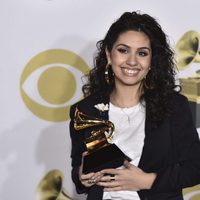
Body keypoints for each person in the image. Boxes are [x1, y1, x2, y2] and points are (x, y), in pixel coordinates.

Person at [69, 11, 200, 200]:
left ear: (151, 61)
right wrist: (82, 176)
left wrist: (147, 181)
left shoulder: (174, 106)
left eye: (142, 53)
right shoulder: (85, 110)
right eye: (123, 50)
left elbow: (195, 167)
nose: (132, 61)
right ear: (109, 54)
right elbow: (78, 169)